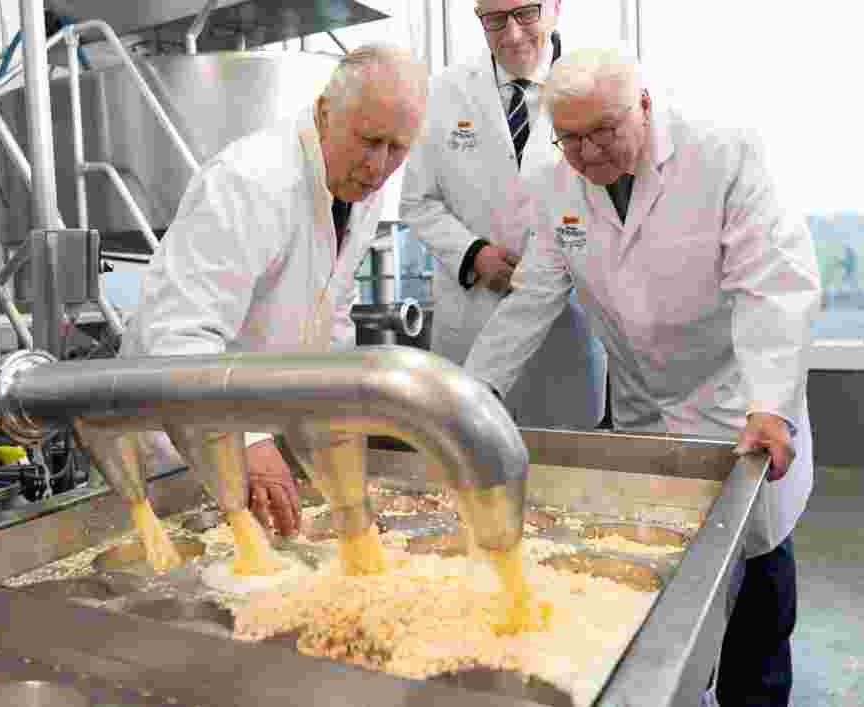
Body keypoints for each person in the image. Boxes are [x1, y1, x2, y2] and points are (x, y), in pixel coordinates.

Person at [465, 47, 821, 707]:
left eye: (604, 130)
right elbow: (536, 291)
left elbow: (772, 283)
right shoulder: (551, 179)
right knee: (653, 583)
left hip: (736, 399)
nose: (589, 151)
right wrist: (473, 390)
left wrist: (769, 402)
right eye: (570, 137)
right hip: (644, 406)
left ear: (645, 105)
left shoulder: (722, 154)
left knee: (757, 590)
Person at [120, 44, 428, 537]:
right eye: (369, 141)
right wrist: (246, 441)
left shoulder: (357, 188)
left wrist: (334, 433)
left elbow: (332, 317)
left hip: (260, 433)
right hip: (177, 445)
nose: (379, 166)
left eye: (398, 149)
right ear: (326, 112)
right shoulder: (251, 181)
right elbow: (178, 338)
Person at [400, 0, 606, 431]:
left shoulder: (598, 85)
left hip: (563, 323)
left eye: (526, 13)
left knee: (567, 470)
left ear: (555, 7)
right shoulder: (444, 92)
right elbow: (416, 202)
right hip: (472, 313)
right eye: (494, 20)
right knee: (471, 456)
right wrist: (473, 254)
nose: (511, 34)